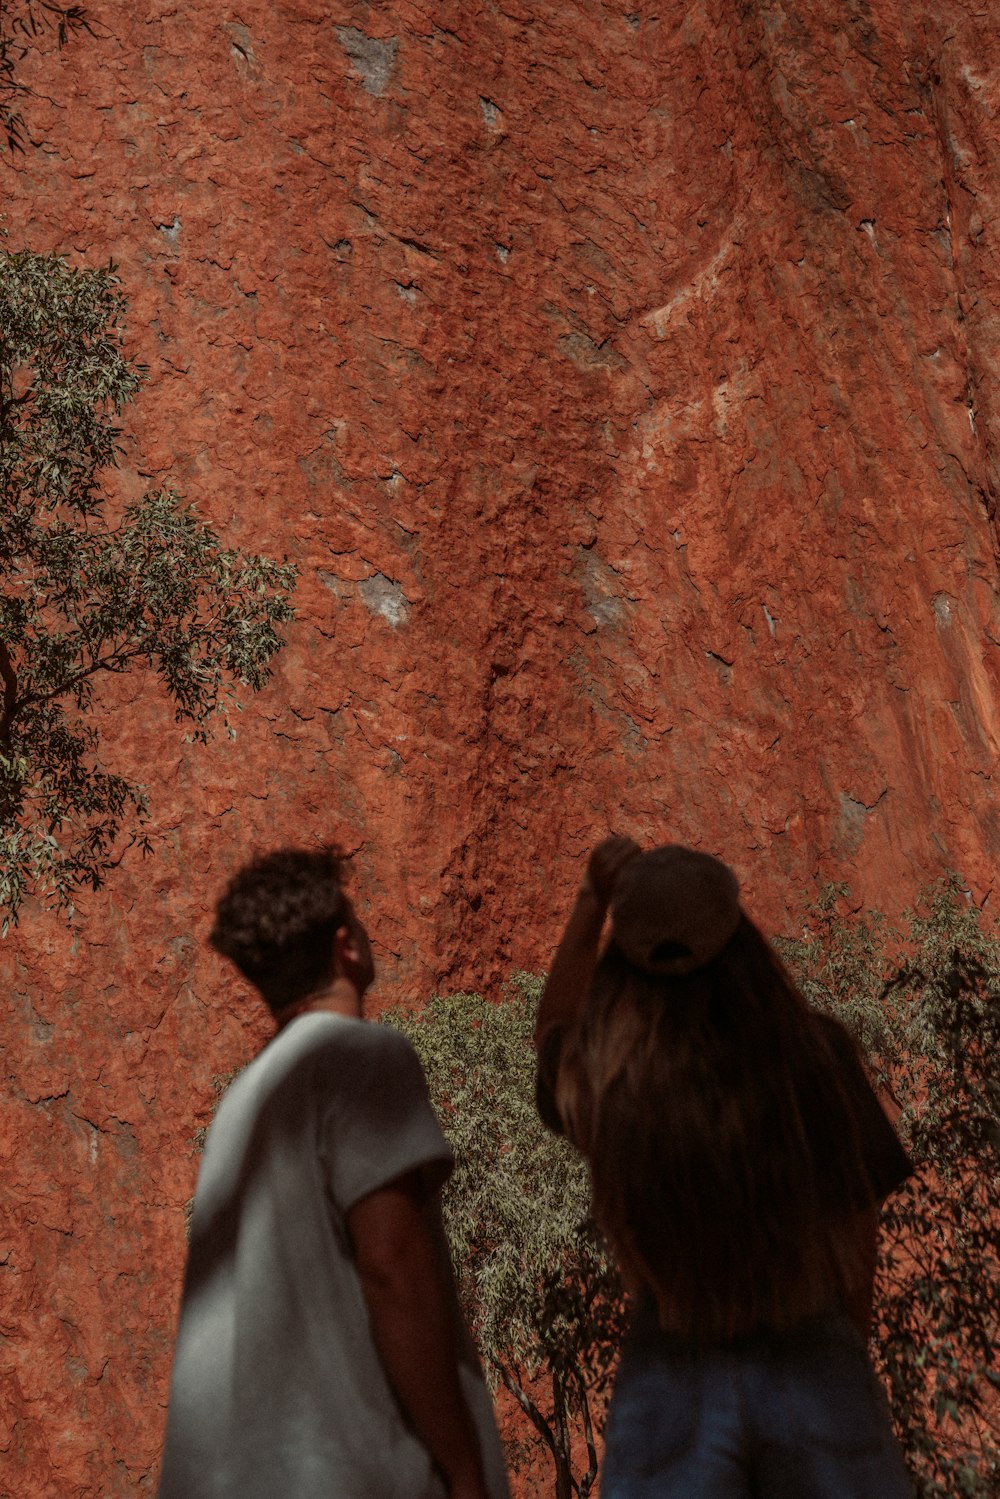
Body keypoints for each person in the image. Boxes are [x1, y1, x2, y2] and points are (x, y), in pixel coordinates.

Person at [535, 835, 915, 1499]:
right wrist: (841, 1341)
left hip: (673, 1363)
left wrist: (593, 899)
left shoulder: (612, 1083)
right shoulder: (814, 1055)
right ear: (741, 939)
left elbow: (551, 1031)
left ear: (627, 963)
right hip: (810, 1347)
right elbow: (859, 1221)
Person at [158, 846, 509, 1499]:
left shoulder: (243, 1101)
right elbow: (391, 1261)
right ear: (346, 945)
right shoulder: (361, 1057)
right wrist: (463, 1467)